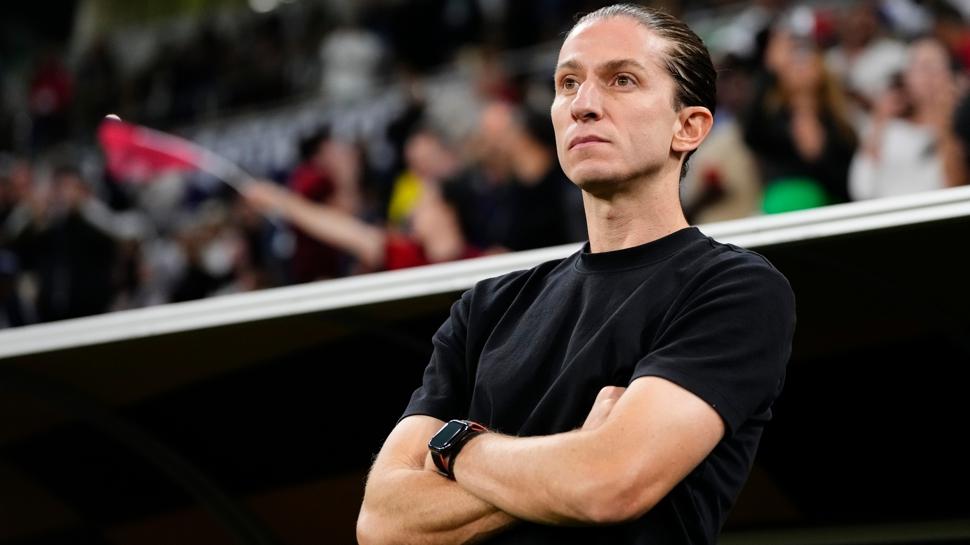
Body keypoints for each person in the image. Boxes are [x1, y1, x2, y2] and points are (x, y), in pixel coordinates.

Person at [356, 4, 795, 545]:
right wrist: (572, 459)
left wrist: (456, 448)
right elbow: (382, 523)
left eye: (622, 80)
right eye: (568, 83)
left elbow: (607, 485)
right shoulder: (484, 308)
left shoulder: (733, 289)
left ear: (688, 127)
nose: (583, 104)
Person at [849, 37, 968, 200]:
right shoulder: (887, 127)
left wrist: (946, 127)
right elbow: (862, 187)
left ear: (950, 74)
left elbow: (954, 187)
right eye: (921, 67)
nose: (929, 76)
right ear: (906, 77)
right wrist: (878, 123)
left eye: (935, 66)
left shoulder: (961, 127)